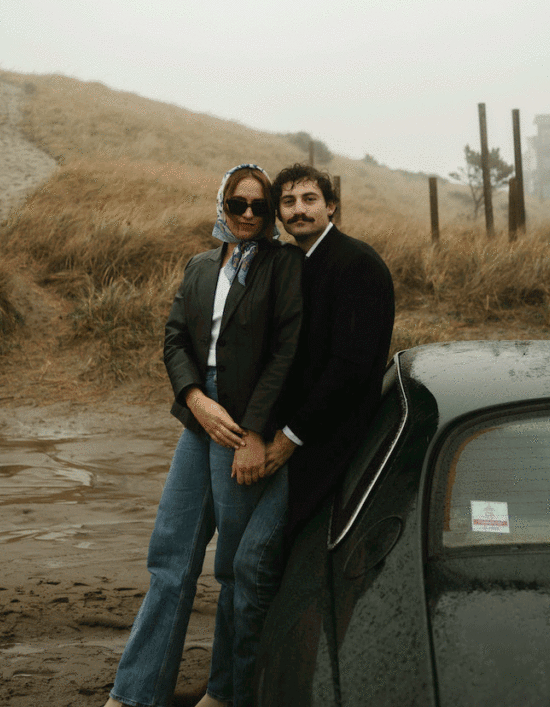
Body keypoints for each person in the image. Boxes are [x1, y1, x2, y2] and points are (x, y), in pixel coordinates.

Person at [104, 164, 303, 707]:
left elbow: (287, 351)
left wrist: (256, 429)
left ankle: (224, 693)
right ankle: (135, 694)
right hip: (201, 415)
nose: (245, 215)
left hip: (243, 420)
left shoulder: (282, 266)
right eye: (236, 204)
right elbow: (174, 339)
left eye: (257, 207)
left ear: (268, 216)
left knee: (234, 566)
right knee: (170, 556)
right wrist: (195, 398)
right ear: (222, 203)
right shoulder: (198, 266)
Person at [264, 163, 395, 538]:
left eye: (310, 199)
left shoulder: (356, 263)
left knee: (296, 544)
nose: (298, 210)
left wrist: (291, 436)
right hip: (304, 431)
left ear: (331, 206)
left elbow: (348, 368)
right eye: (287, 202)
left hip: (332, 439)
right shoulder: (299, 262)